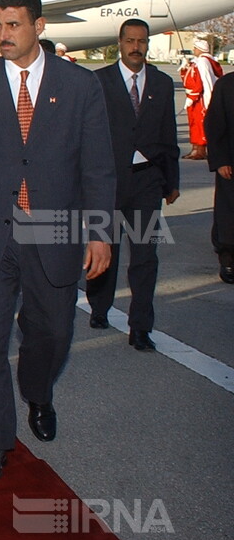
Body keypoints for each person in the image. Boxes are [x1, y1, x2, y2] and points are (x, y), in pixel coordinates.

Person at [0, 0, 114, 482]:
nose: (3, 35)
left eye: (13, 25)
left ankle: (38, 392)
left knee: (50, 332)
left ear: (39, 26)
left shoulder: (79, 85)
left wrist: (99, 231)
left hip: (53, 229)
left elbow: (97, 166)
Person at [86, 20, 180, 350]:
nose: (135, 47)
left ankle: (140, 326)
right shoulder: (99, 81)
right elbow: (89, 135)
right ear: (120, 43)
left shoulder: (162, 83)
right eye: (130, 41)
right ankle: (99, 308)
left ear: (148, 44)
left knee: (144, 256)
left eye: (141, 41)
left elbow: (169, 134)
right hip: (108, 182)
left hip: (146, 182)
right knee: (104, 247)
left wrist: (172, 181)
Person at [206, 69, 234, 284]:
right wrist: (220, 160)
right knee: (228, 213)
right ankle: (228, 259)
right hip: (231, 164)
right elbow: (214, 124)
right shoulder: (226, 85)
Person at [181, 38, 223, 160]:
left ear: (199, 49)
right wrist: (186, 68)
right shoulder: (200, 61)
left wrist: (193, 96)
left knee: (200, 124)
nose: (194, 50)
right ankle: (195, 148)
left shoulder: (203, 62)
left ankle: (200, 150)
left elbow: (202, 80)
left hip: (199, 98)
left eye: (195, 48)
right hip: (196, 97)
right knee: (194, 123)